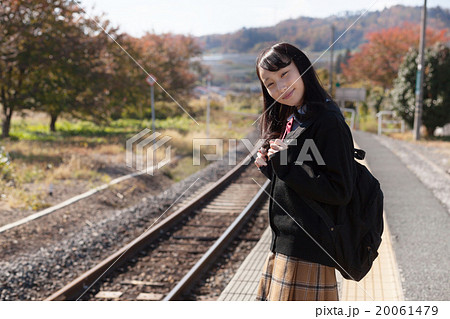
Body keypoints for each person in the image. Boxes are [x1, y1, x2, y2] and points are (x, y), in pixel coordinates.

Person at [253, 42, 356, 301]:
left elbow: (339, 190)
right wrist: (272, 167)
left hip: (310, 249)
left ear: (303, 68)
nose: (280, 86)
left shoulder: (327, 121)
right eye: (270, 83)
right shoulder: (295, 117)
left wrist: (286, 164)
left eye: (285, 74)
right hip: (286, 244)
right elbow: (303, 182)